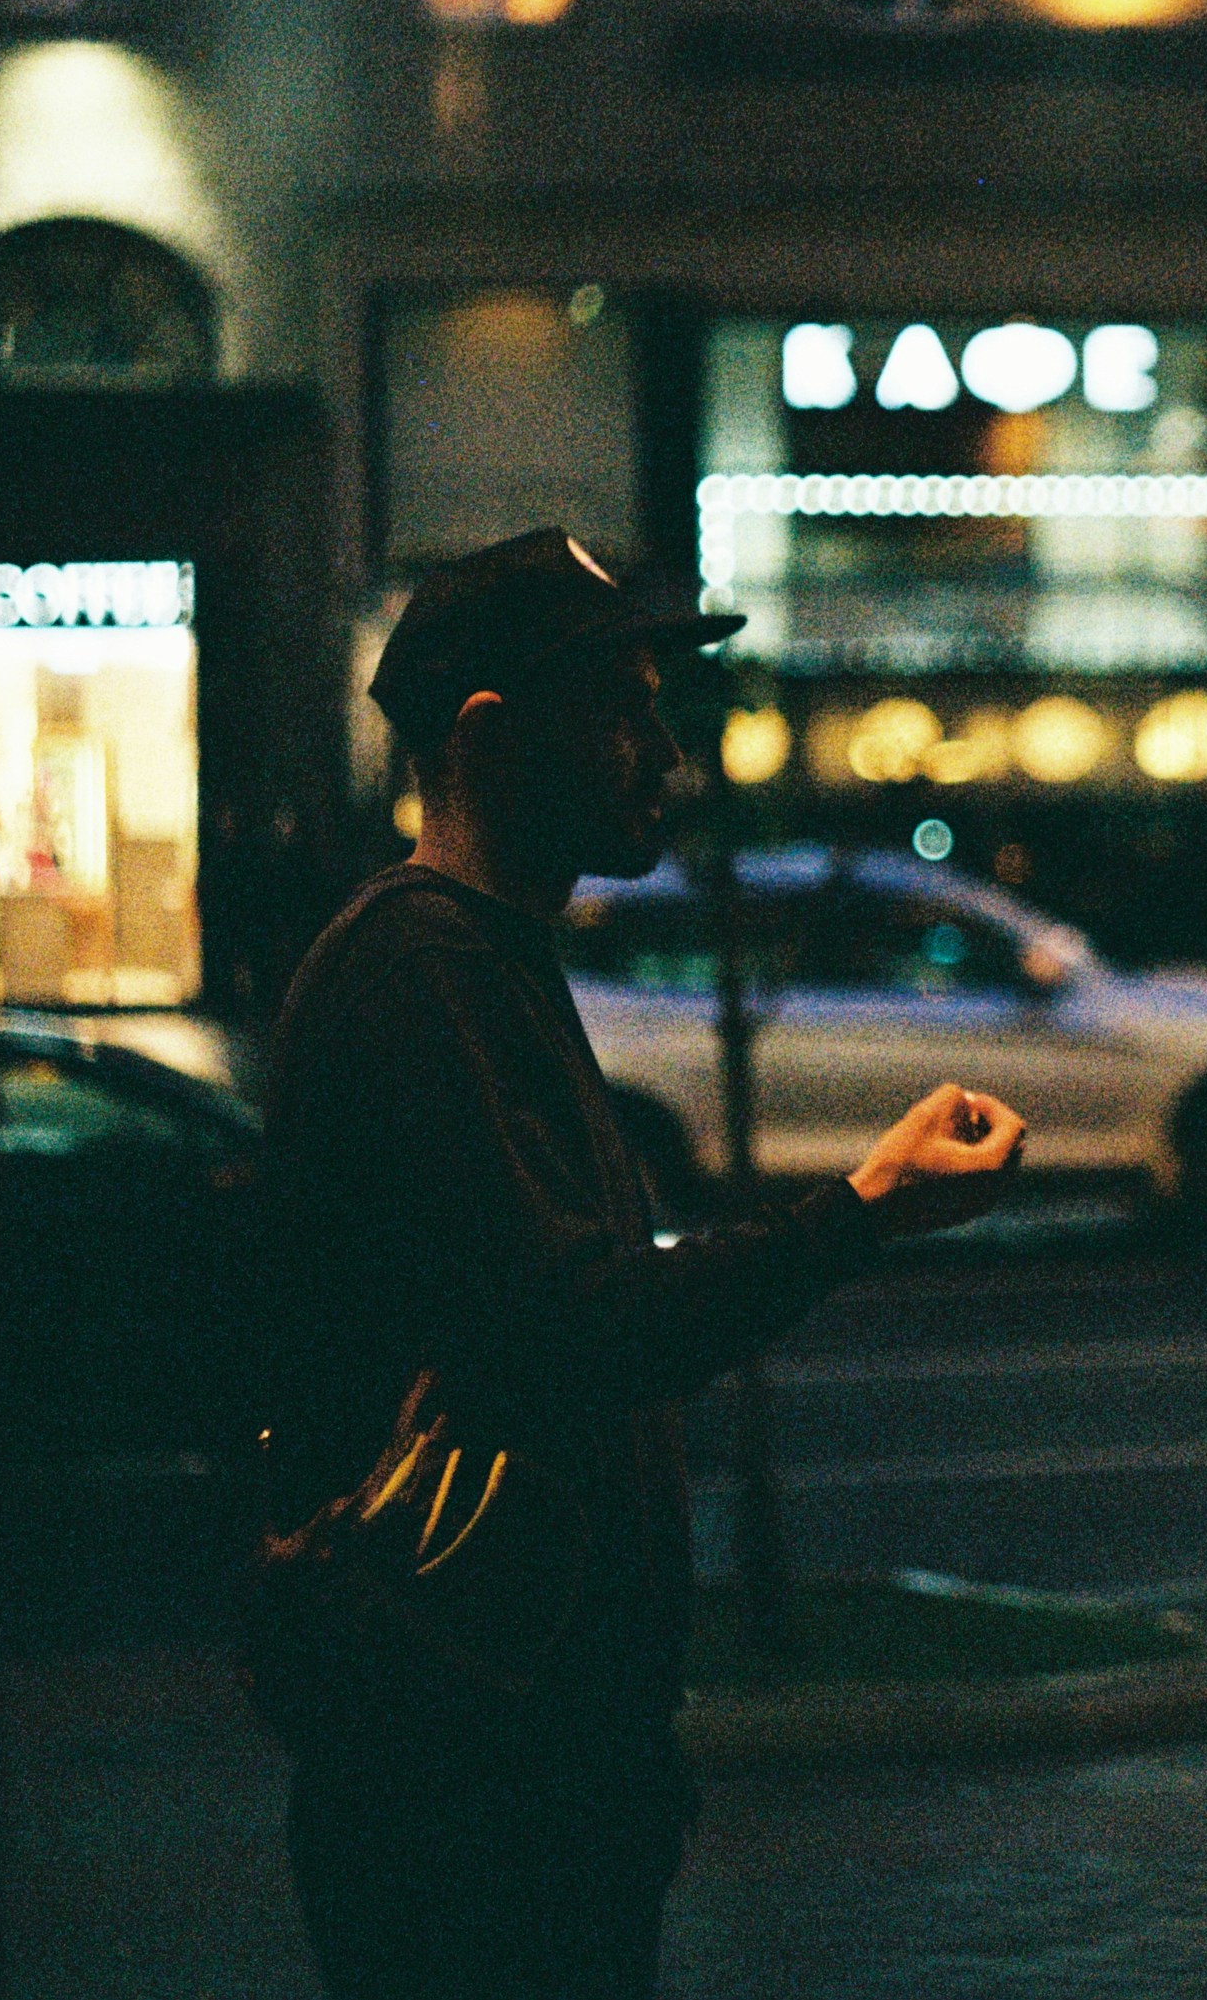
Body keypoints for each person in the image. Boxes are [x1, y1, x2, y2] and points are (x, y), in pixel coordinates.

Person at [251, 528, 1025, 1998]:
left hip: (521, 1772)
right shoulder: (422, 973)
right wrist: (860, 1208)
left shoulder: (478, 959)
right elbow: (573, 1326)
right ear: (487, 736)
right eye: (620, 709)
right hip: (471, 1801)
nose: (663, 749)